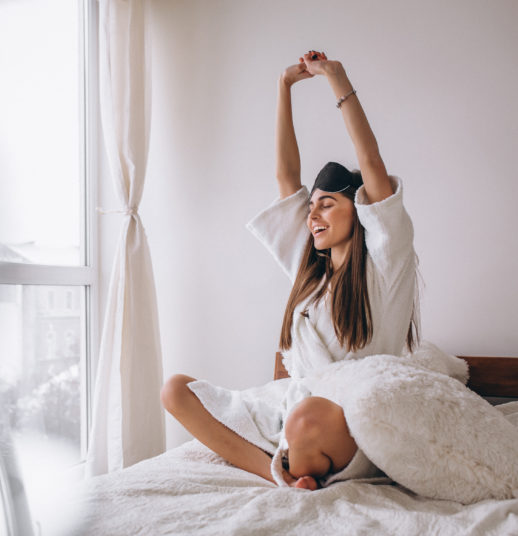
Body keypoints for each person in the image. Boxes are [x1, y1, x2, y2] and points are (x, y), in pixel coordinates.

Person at [161, 50, 419, 489]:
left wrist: (337, 80)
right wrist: (283, 87)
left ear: (359, 211)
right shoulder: (310, 270)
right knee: (175, 390)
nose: (313, 214)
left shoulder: (386, 264)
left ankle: (293, 456)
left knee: (305, 419)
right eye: (311, 206)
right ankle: (275, 470)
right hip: (295, 409)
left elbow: (372, 163)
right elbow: (285, 177)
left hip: (346, 423)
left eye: (327, 204)